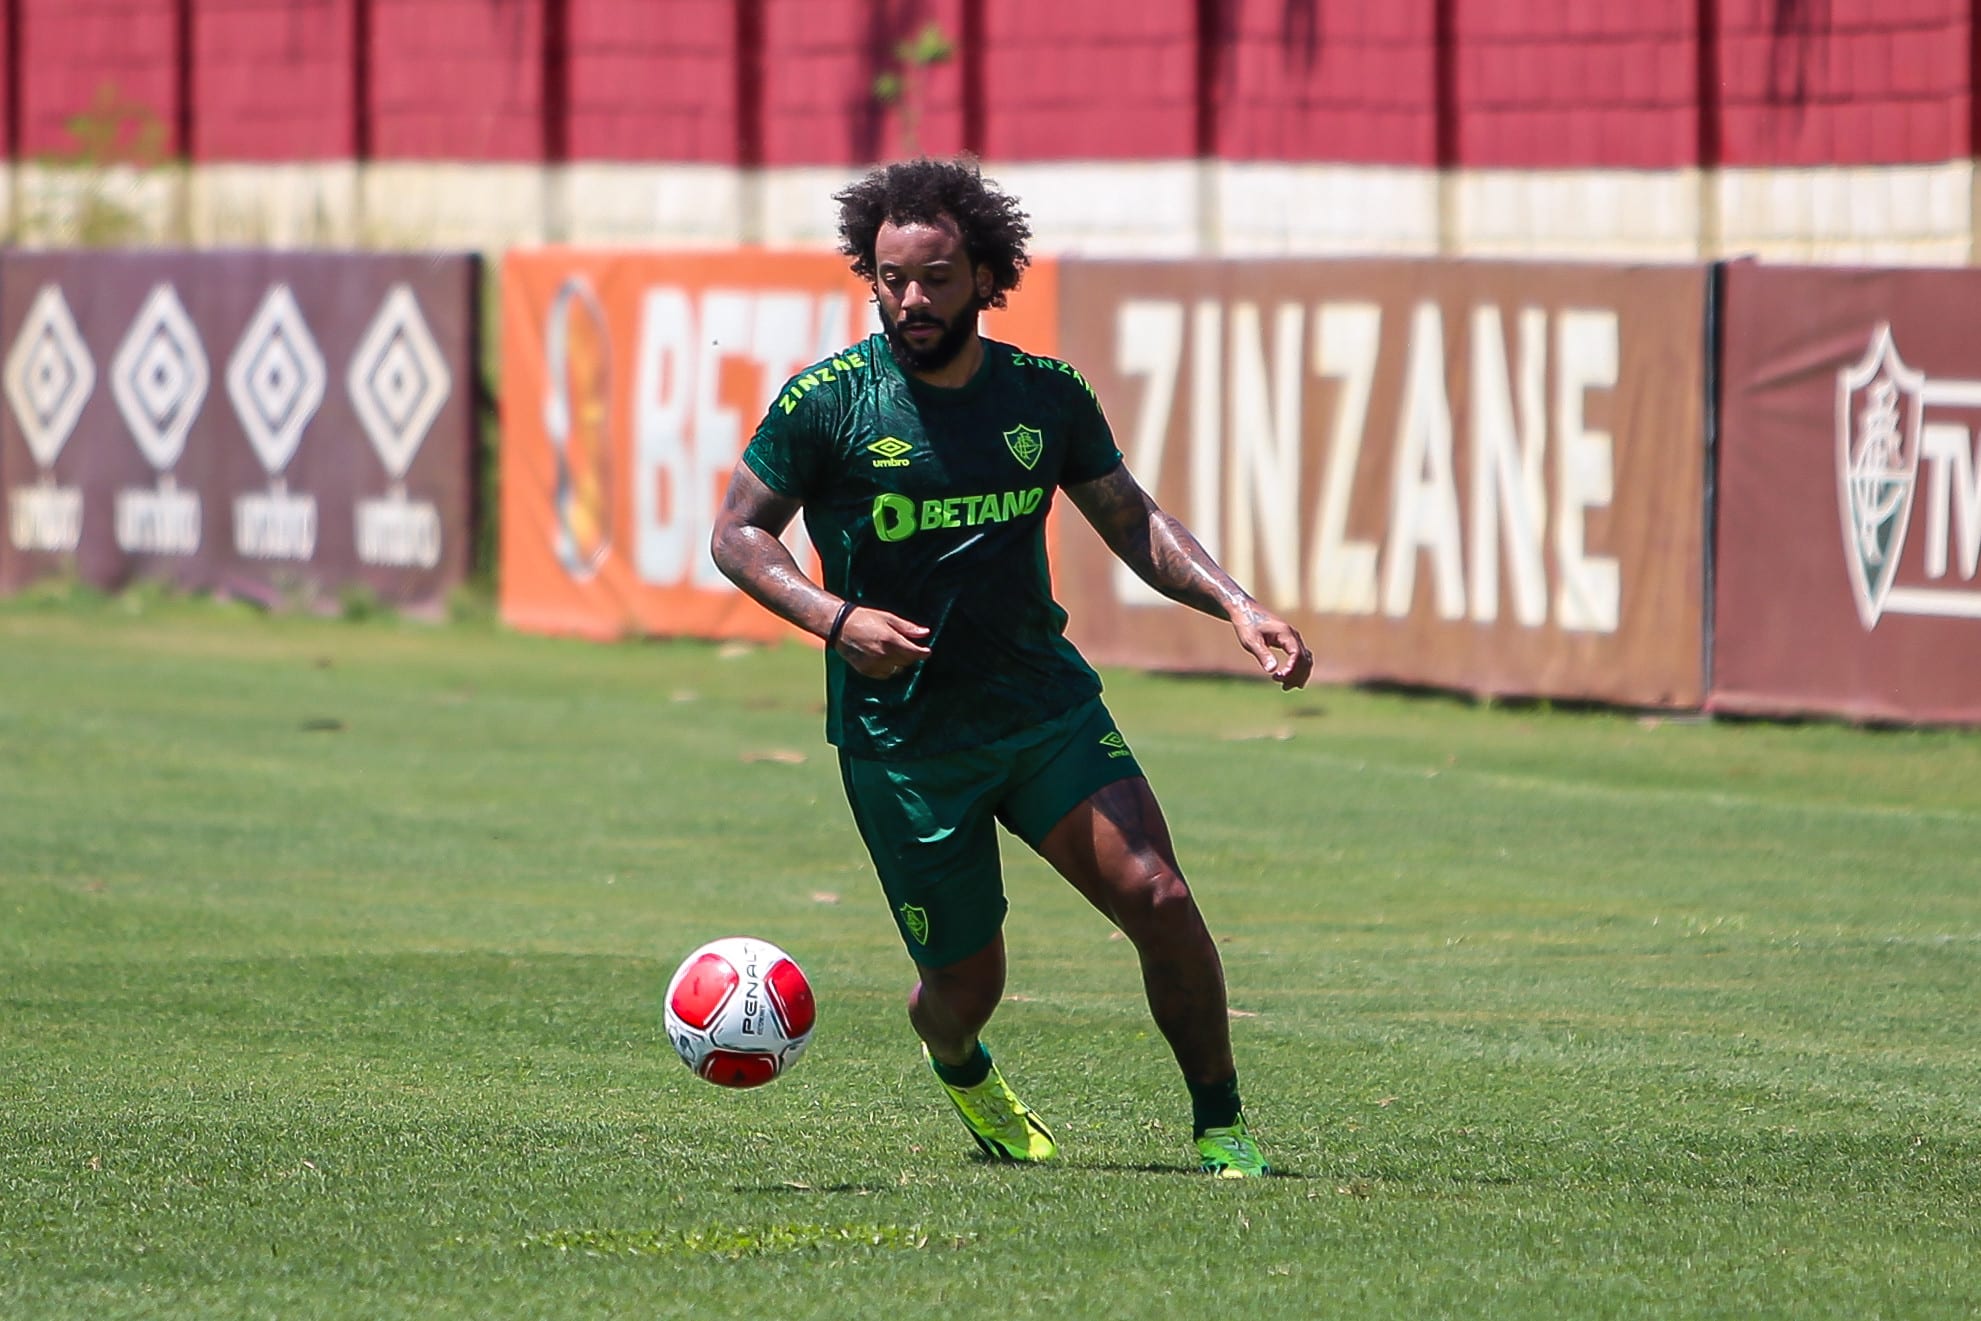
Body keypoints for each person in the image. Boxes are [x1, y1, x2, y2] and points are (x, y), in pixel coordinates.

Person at [711, 156, 1312, 1178]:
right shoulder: (827, 404)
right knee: (965, 987)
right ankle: (957, 1058)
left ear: (986, 277)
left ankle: (1221, 1126)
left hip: (1042, 712)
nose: (910, 299)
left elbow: (1132, 520)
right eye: (891, 278)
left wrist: (1236, 603)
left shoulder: (1045, 397)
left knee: (1160, 898)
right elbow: (737, 535)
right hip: (907, 745)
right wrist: (834, 617)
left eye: (935, 277)